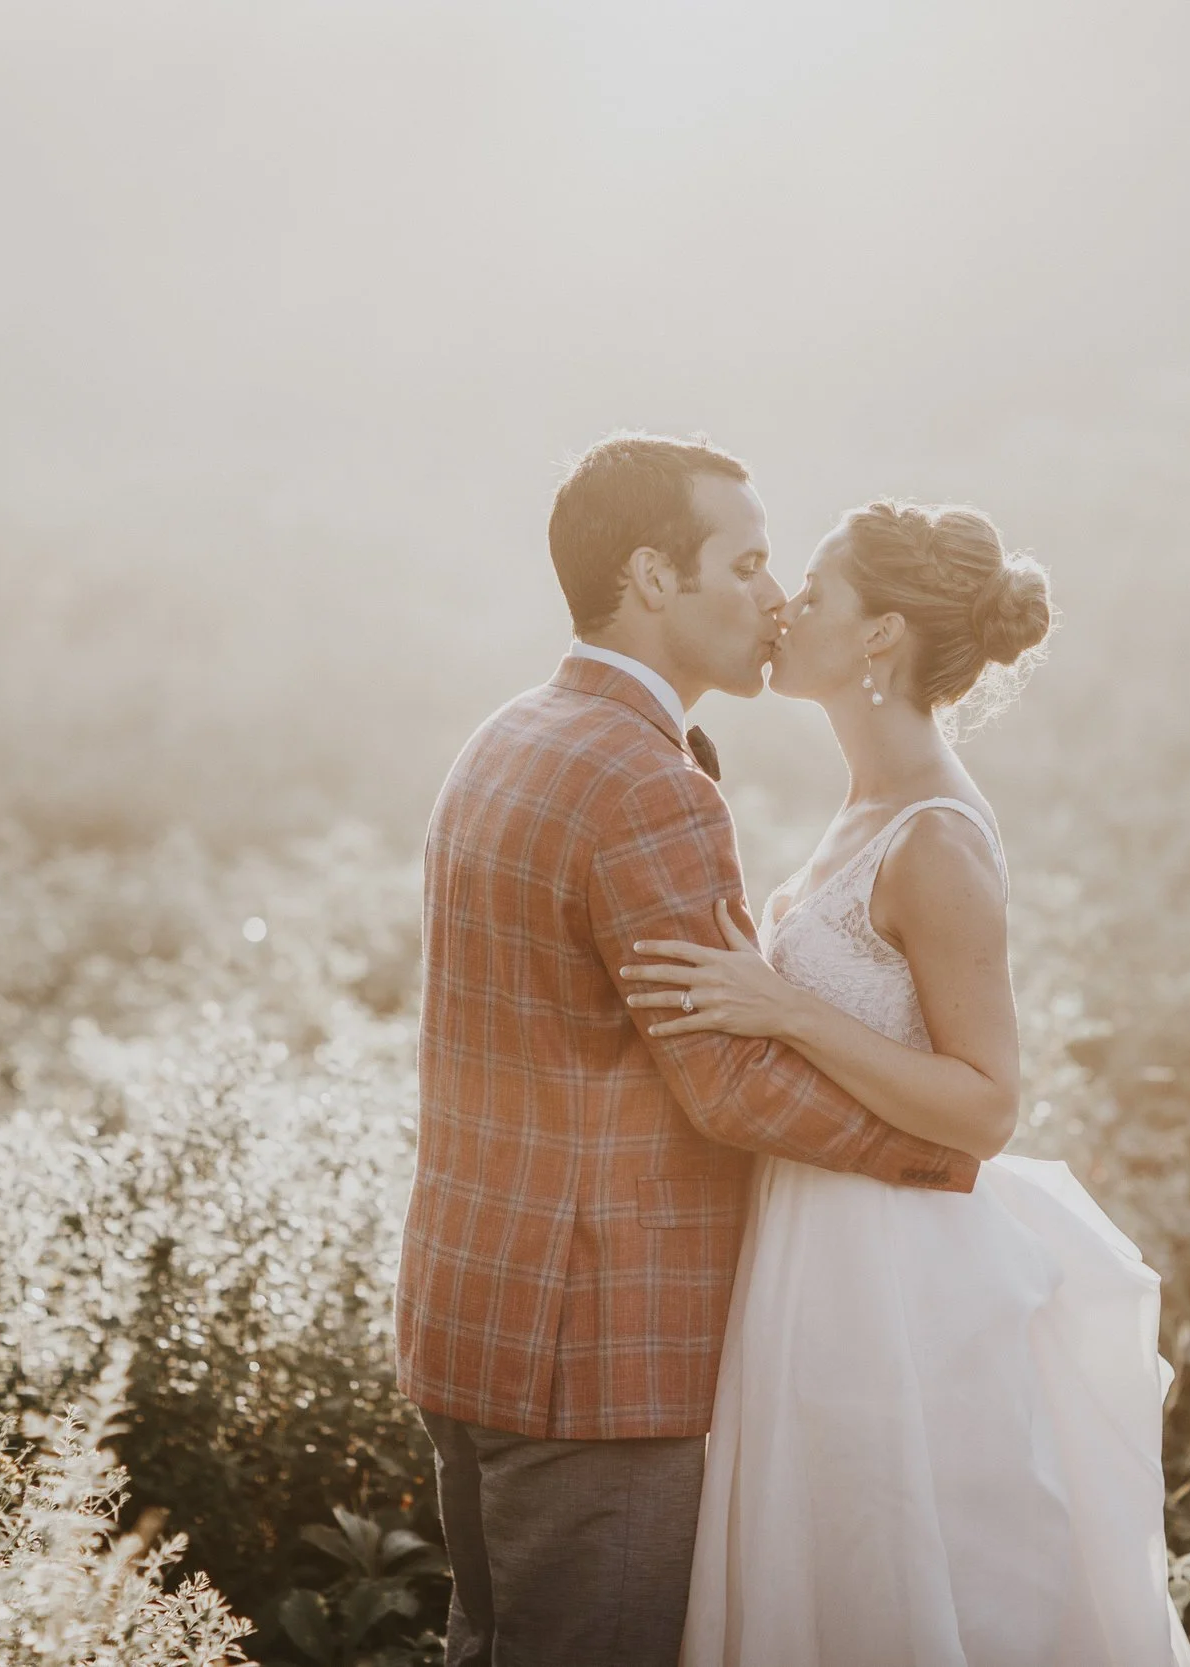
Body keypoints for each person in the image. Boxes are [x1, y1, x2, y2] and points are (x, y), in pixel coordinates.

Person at [396, 434, 981, 1667]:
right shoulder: (645, 780)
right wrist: (947, 1155)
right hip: (596, 1355)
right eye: (750, 559)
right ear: (655, 578)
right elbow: (723, 1081)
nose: (774, 596)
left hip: (471, 1314)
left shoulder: (510, 734)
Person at [621, 499, 1190, 1665]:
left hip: (888, 1278)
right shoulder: (862, 807)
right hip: (803, 1248)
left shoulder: (936, 835)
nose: (785, 606)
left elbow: (986, 1103)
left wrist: (782, 1006)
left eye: (815, 594)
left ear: (878, 637)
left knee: (890, 1586)